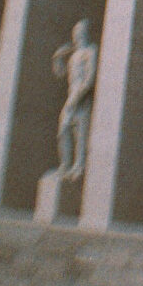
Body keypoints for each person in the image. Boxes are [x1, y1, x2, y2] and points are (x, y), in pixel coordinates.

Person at [51, 20, 98, 181]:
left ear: (85, 33)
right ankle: (65, 164)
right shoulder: (73, 55)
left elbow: (90, 78)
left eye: (80, 31)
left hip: (82, 96)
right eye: (75, 31)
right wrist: (57, 59)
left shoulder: (90, 51)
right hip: (72, 95)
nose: (77, 35)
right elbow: (61, 74)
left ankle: (79, 166)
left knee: (80, 133)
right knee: (63, 129)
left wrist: (78, 97)